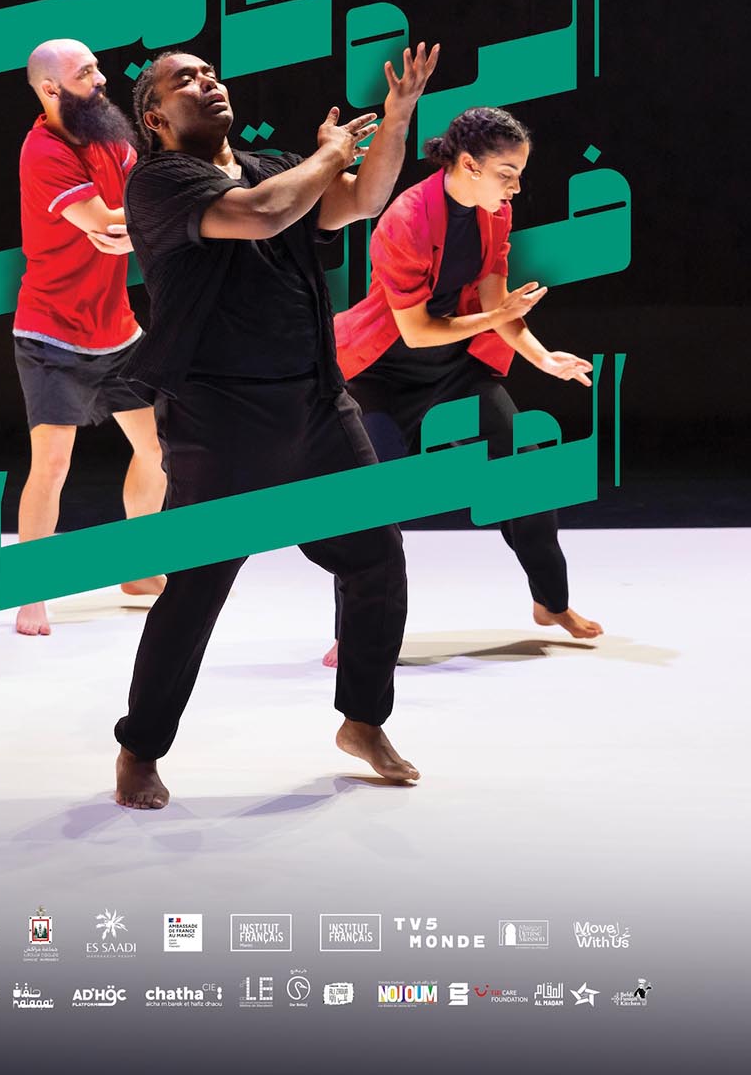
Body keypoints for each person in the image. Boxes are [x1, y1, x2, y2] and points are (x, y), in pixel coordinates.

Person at [112, 44, 438, 809]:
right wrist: (329, 155)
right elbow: (261, 216)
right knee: (195, 591)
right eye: (185, 80)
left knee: (376, 558)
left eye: (210, 72)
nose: (208, 82)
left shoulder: (275, 167)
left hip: (317, 406)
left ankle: (363, 721)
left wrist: (396, 119)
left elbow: (363, 199)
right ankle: (140, 749)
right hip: (220, 420)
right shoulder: (161, 181)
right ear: (155, 118)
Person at [323, 105, 603, 664]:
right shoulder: (405, 218)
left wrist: (542, 357)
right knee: (370, 501)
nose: (516, 187)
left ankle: (551, 602)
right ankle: (356, 629)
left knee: (526, 473)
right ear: (470, 165)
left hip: (456, 368)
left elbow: (497, 303)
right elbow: (417, 330)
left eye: (519, 174)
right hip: (384, 373)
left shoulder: (493, 212)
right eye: (508, 174)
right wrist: (496, 319)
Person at [11, 38, 166, 636]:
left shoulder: (110, 137)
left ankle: (139, 566)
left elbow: (135, 212)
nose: (101, 79)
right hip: (51, 335)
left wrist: (134, 227)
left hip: (118, 330)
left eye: (96, 67)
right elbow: (104, 224)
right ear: (52, 89)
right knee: (52, 466)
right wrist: (135, 226)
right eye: (86, 72)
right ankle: (31, 592)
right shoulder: (42, 151)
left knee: (160, 450)